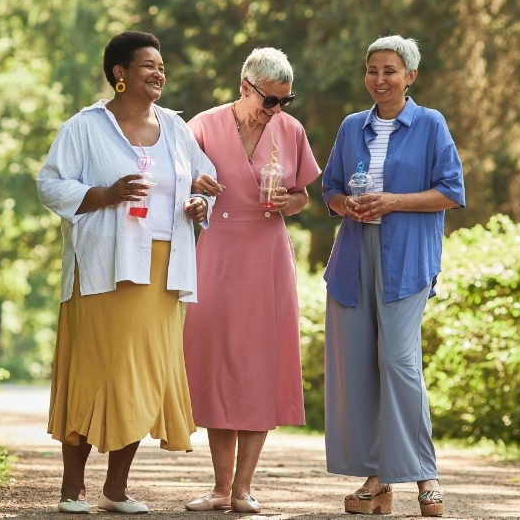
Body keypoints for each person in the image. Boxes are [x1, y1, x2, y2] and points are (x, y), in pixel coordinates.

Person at [36, 31, 217, 514]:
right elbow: (51, 185)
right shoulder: (86, 127)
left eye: (161, 66)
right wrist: (106, 195)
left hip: (163, 271)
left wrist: (201, 202)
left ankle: (116, 489)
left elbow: (205, 181)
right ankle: (72, 489)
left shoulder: (176, 129)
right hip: (103, 269)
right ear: (119, 73)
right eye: (147, 66)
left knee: (142, 377)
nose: (159, 73)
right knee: (95, 371)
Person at [320, 36, 465, 517]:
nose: (379, 79)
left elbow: (451, 191)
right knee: (359, 365)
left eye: (390, 71)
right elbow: (332, 191)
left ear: (410, 77)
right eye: (372, 70)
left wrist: (393, 201)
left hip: (407, 258)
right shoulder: (350, 127)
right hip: (354, 255)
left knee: (399, 363)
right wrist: (350, 207)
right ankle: (377, 481)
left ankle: (426, 475)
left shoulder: (429, 124)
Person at [181, 47, 321, 513]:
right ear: (245, 87)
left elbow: (304, 196)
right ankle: (220, 488)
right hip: (216, 250)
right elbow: (177, 184)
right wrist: (196, 192)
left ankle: (243, 489)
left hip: (267, 254)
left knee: (261, 365)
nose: (276, 109)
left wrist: (290, 203)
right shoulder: (201, 125)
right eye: (270, 100)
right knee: (218, 364)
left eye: (285, 100)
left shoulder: (291, 130)